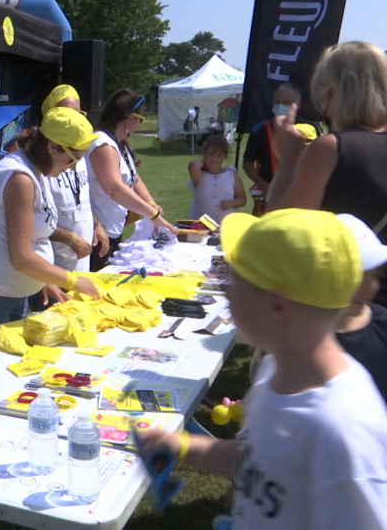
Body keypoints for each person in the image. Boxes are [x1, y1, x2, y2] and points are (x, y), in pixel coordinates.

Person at [139, 209, 387, 529]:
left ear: (276, 305)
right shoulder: (275, 372)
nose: (225, 293)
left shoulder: (341, 432)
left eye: (235, 281)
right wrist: (187, 448)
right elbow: (259, 459)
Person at [0, 106, 102, 357]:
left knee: (13, 373)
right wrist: (72, 280)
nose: (73, 168)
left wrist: (43, 278)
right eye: (72, 160)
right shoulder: (19, 178)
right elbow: (20, 257)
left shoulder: (37, 171)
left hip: (12, 291)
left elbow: (34, 234)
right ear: (52, 146)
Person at [268, 41, 387, 306]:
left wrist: (288, 162)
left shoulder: (332, 148)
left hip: (349, 307)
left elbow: (279, 234)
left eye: (322, 96)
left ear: (335, 93)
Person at [86, 89, 176, 270]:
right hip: (96, 231)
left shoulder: (119, 145)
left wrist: (150, 203)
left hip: (112, 228)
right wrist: (153, 216)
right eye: (140, 119)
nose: (139, 125)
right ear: (130, 118)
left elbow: (135, 180)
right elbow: (115, 188)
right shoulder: (103, 144)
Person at [40, 85, 109, 274]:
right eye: (66, 114)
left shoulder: (77, 153)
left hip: (80, 259)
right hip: (52, 264)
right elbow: (34, 221)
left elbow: (82, 199)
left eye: (78, 113)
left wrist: (96, 224)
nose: (74, 120)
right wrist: (70, 238)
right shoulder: (46, 163)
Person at [243, 83, 321, 211]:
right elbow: (247, 163)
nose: (281, 106)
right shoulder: (261, 129)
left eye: (286, 103)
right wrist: (263, 185)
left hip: (303, 193)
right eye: (277, 102)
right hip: (269, 193)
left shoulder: (311, 128)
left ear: (298, 104)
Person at [335, 213, 387, 404]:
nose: (371, 286)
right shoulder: (306, 338)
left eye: (374, 275)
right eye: (357, 275)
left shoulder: (382, 323)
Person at [187, 134, 246, 223]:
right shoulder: (199, 175)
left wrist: (231, 203)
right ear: (204, 154)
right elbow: (193, 165)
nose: (215, 158)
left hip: (226, 223)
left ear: (224, 157)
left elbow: (242, 199)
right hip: (203, 225)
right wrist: (206, 164)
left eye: (219, 155)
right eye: (211, 154)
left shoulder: (232, 175)